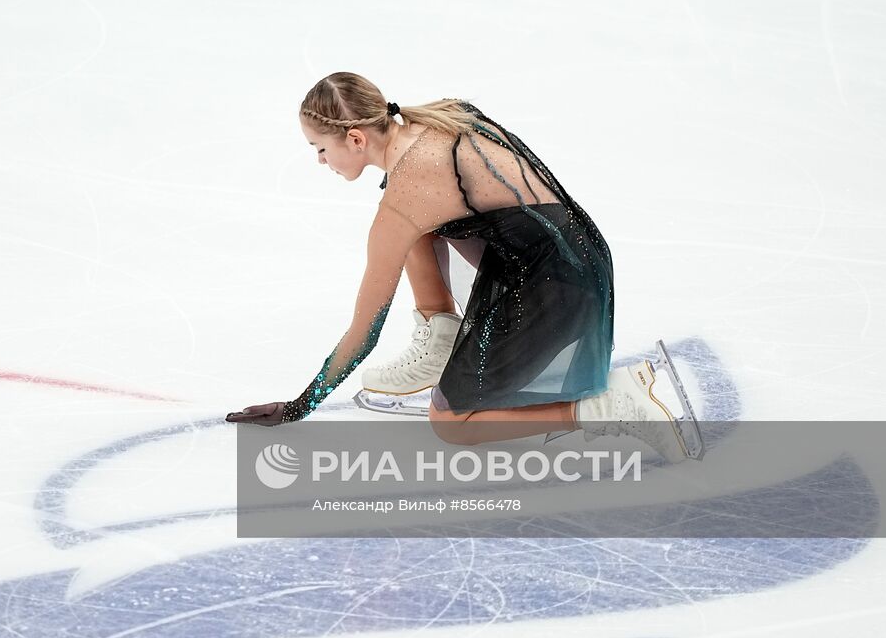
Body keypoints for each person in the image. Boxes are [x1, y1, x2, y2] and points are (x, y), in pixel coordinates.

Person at [225, 72, 699, 463]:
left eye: (320, 148)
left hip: (554, 286)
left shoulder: (408, 193)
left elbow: (365, 328)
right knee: (419, 221)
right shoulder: (433, 121)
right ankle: (441, 334)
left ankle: (608, 406)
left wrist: (298, 407)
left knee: (452, 425)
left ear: (355, 137)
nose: (320, 160)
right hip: (573, 255)